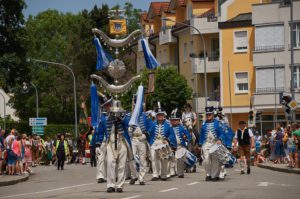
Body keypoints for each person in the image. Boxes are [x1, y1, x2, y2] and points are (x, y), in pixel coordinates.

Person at [104, 100, 132, 193]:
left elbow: (129, 124)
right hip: (111, 143)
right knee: (110, 163)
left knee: (121, 165)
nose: (115, 113)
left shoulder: (125, 117)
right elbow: (101, 128)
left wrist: (120, 118)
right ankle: (110, 185)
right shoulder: (107, 117)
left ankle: (120, 185)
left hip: (122, 142)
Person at [147, 103, 176, 181]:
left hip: (163, 143)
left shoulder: (168, 125)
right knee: (153, 158)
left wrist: (167, 139)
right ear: (156, 116)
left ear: (164, 115)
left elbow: (171, 134)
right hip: (154, 143)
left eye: (161, 115)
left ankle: (163, 175)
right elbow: (149, 132)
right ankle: (155, 175)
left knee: (164, 159)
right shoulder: (153, 124)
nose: (160, 116)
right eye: (158, 115)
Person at [199, 107, 225, 181]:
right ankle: (208, 174)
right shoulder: (203, 124)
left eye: (209, 114)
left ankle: (213, 176)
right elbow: (201, 134)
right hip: (206, 143)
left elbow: (222, 133)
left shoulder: (217, 123)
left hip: (215, 143)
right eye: (207, 115)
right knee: (206, 160)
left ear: (213, 115)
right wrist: (200, 144)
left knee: (215, 160)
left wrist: (220, 139)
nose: (208, 116)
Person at [170, 109, 191, 178]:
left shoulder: (183, 128)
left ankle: (180, 172)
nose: (174, 121)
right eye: (172, 120)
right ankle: (172, 171)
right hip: (171, 146)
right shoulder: (169, 128)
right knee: (171, 159)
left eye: (175, 120)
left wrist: (186, 138)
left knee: (180, 160)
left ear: (179, 120)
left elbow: (189, 137)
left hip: (180, 146)